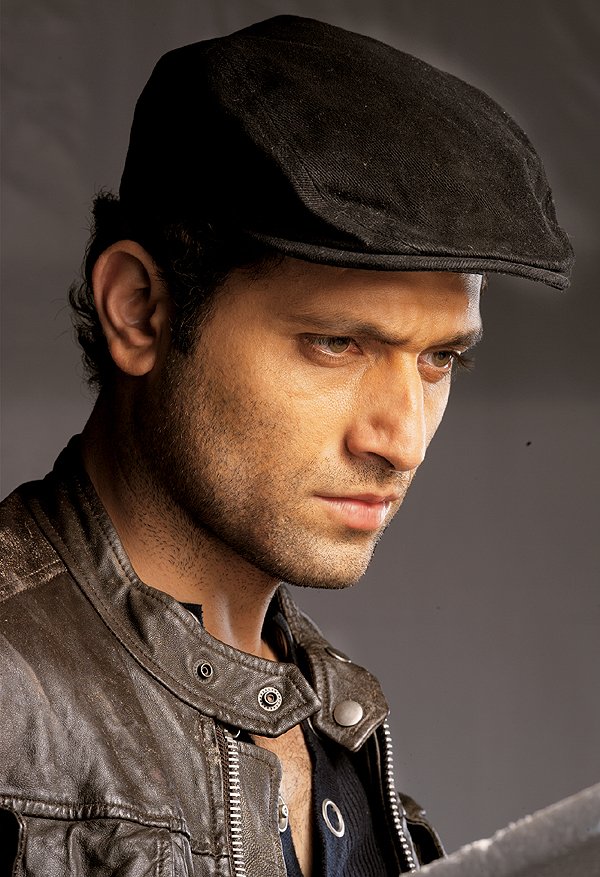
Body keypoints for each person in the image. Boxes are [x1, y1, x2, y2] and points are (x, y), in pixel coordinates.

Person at [0, 14, 572, 877]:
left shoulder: (342, 737)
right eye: (337, 342)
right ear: (139, 309)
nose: (402, 439)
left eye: (440, 359)